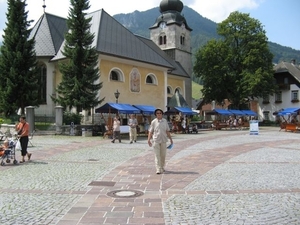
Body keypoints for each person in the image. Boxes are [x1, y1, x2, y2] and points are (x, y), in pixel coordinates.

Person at [148, 108, 173, 174]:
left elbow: (167, 130)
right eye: (157, 113)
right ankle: (158, 169)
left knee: (163, 155)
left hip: (163, 140)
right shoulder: (154, 122)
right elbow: (150, 131)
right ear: (156, 114)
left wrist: (170, 139)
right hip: (156, 140)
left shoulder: (165, 121)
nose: (159, 114)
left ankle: (162, 167)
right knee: (157, 155)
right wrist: (148, 140)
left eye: (160, 113)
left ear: (162, 114)